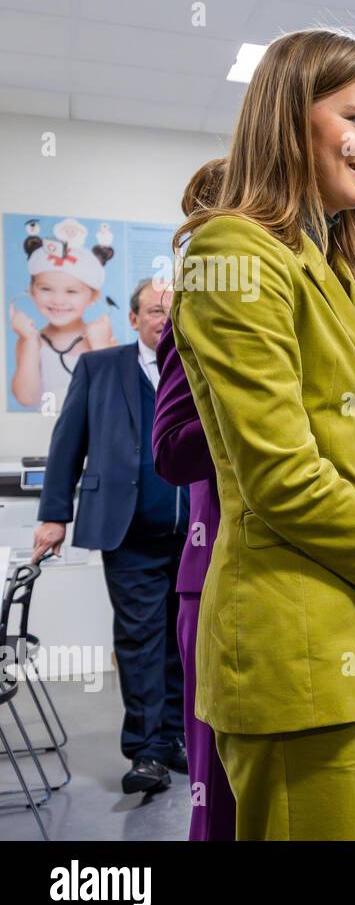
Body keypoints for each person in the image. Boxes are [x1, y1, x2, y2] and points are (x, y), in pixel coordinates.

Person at [169, 27, 355, 841]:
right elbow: (282, 481)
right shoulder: (229, 254)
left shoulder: (332, 269)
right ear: (288, 114)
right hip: (295, 642)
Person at [32, 278, 188, 796]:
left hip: (194, 537)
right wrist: (55, 515)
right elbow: (67, 444)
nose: (163, 321)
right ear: (135, 318)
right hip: (129, 535)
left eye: (172, 312)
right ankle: (146, 752)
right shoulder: (100, 368)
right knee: (142, 640)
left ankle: (179, 739)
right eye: (154, 312)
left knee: (184, 643)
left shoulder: (196, 370)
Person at [152, 157, 237, 840]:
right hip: (215, 579)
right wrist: (269, 422)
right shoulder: (197, 319)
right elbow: (173, 451)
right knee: (221, 795)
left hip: (297, 580)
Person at [10, 217, 118, 410]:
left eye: (72, 291)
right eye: (46, 289)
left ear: (94, 296)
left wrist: (100, 345)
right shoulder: (31, 342)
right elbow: (27, 399)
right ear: (31, 290)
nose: (58, 300)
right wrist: (28, 340)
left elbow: (115, 397)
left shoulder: (104, 340)